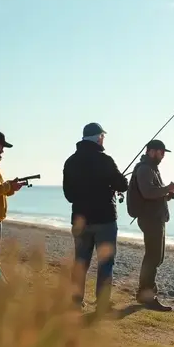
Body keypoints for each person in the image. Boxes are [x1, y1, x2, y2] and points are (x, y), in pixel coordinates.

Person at [62, 122, 130, 312]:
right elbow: (122, 184)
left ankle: (75, 301)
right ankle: (101, 303)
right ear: (99, 137)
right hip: (104, 219)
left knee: (80, 262)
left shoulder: (70, 161)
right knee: (105, 262)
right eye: (103, 137)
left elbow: (68, 195)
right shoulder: (105, 160)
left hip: (80, 219)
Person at [126, 139, 174, 311]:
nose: (163, 155)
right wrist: (168, 188)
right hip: (150, 219)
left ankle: (145, 292)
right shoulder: (145, 169)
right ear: (150, 151)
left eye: (164, 152)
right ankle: (147, 295)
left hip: (154, 217)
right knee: (153, 257)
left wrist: (168, 193)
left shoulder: (151, 168)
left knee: (155, 257)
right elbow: (148, 192)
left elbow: (152, 193)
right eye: (160, 151)